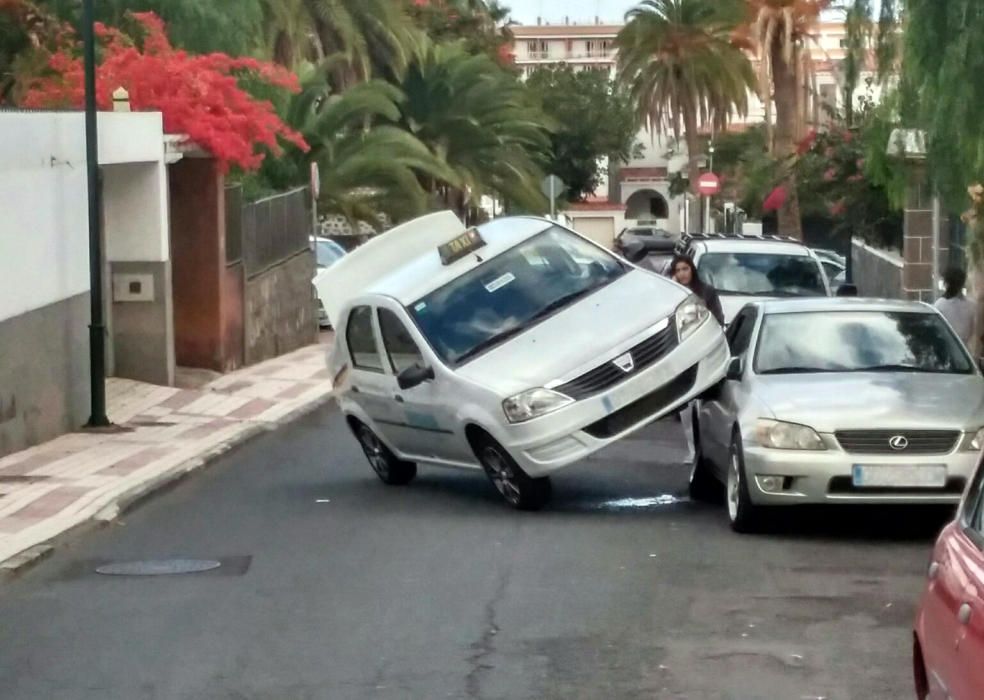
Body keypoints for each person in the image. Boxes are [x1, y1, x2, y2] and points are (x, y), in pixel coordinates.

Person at [670, 254, 724, 326]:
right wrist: (673, 286)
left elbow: (718, 319)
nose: (682, 274)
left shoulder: (707, 291)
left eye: (685, 269)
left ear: (692, 270)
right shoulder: (674, 293)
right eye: (678, 271)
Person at [935, 267, 978, 353]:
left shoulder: (939, 305)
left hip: (944, 352)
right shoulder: (971, 306)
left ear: (946, 283)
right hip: (964, 352)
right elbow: (972, 332)